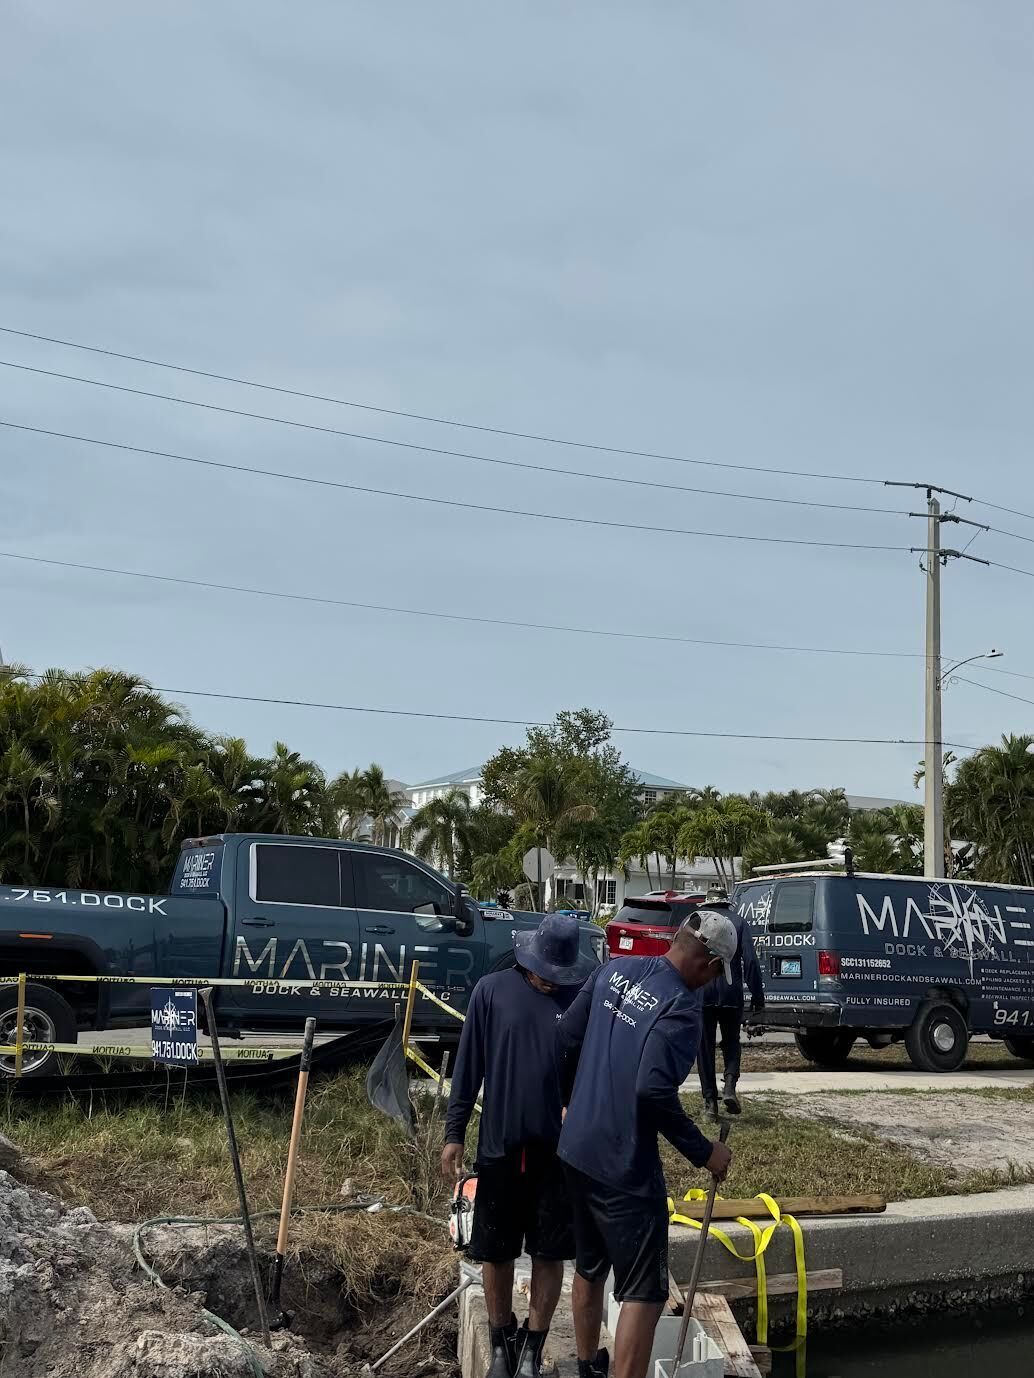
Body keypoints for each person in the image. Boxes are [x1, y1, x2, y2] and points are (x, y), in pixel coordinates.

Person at [556, 912, 738, 1378]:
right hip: (623, 1166)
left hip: (576, 1148)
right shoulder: (681, 1008)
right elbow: (651, 1090)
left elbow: (565, 1036)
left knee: (590, 1265)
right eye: (718, 974)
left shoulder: (615, 969)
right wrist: (704, 1151)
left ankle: (587, 1366)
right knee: (643, 1290)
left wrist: (568, 1103)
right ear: (710, 965)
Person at [442, 913, 596, 1378]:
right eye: (545, 975)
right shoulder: (492, 992)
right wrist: (454, 1132)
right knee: (496, 1250)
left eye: (560, 977)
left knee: (549, 1253)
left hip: (558, 1154)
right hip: (501, 1147)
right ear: (528, 961)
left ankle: (533, 1347)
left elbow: (594, 1072)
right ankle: (500, 1341)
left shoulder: (579, 1001)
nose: (551, 984)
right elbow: (468, 1067)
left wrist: (580, 1108)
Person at [695, 887, 764, 1119]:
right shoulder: (739, 922)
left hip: (702, 993)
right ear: (726, 903)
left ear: (706, 904)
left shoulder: (697, 922)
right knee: (732, 1042)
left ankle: (709, 1105)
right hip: (731, 992)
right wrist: (757, 996)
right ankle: (730, 1087)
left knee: (704, 1047)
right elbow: (751, 962)